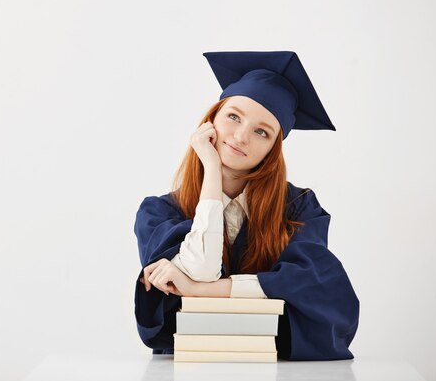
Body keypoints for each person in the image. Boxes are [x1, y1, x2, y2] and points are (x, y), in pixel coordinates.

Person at [133, 51, 359, 361]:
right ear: (210, 121)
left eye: (262, 132)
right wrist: (211, 170)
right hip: (189, 366)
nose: (241, 137)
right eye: (233, 117)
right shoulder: (159, 212)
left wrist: (200, 291)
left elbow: (316, 289)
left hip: (276, 367)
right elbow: (200, 269)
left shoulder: (299, 208)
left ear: (272, 149)